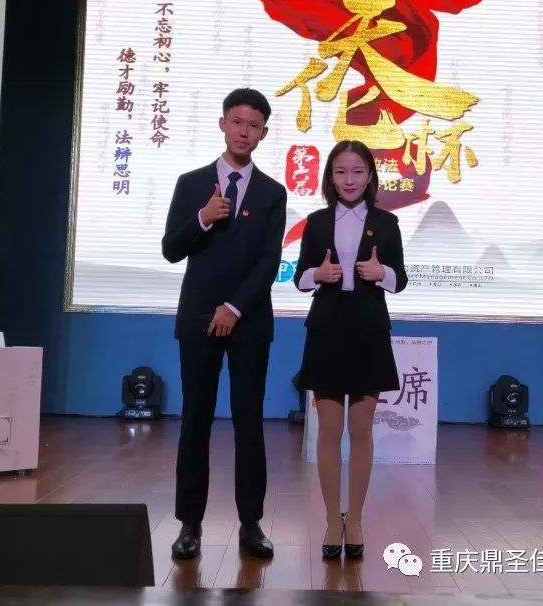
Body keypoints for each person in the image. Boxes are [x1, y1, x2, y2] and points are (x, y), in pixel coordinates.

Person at [162, 88, 287, 560]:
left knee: (248, 421)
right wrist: (202, 218)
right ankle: (189, 523)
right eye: (237, 122)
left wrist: (234, 307)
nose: (244, 132)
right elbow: (171, 249)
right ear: (222, 124)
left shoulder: (272, 193)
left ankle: (251, 523)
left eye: (254, 126)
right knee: (195, 419)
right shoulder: (192, 183)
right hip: (197, 320)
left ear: (264, 133)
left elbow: (269, 262)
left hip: (249, 322)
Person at [293, 139, 408, 560]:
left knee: (361, 430)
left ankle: (354, 519)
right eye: (341, 171)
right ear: (330, 176)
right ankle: (330, 520)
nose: (349, 180)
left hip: (367, 329)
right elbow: (299, 278)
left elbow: (400, 278)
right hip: (326, 328)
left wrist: (382, 272)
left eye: (358, 171)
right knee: (328, 430)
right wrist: (317, 275)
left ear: (370, 176)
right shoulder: (316, 222)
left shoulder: (387, 223)